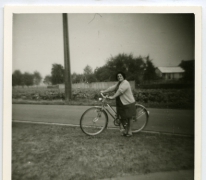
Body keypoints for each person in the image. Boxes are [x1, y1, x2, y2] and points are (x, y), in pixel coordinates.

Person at [100, 72, 136, 137]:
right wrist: (104, 91)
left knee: (129, 117)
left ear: (123, 76)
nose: (119, 77)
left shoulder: (125, 83)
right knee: (122, 117)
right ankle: (125, 131)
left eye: (120, 76)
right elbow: (112, 88)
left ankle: (130, 131)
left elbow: (120, 91)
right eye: (118, 76)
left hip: (128, 102)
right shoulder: (119, 83)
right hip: (121, 102)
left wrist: (113, 97)